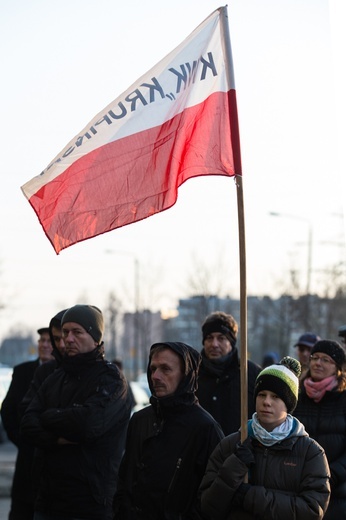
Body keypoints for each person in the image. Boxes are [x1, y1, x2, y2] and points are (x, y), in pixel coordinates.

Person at [20, 304, 132, 520]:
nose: (67, 339)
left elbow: (88, 424)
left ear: (96, 337)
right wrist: (57, 438)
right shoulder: (55, 378)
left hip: (89, 504)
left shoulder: (111, 379)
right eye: (65, 332)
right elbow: (27, 424)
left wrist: (48, 416)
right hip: (48, 502)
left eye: (77, 332)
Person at [199, 356, 331, 520]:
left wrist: (250, 496)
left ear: (289, 403)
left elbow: (312, 510)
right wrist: (233, 468)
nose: (266, 402)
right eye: (262, 394)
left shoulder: (310, 452)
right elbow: (207, 507)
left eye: (276, 397)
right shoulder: (231, 445)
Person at [113, 341, 224, 520]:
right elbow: (125, 481)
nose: (156, 376)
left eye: (166, 369)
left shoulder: (205, 428)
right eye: (153, 368)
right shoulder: (140, 420)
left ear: (185, 375)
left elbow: (214, 497)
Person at [1, 326, 53, 520]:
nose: (45, 345)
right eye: (42, 341)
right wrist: (22, 439)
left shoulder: (63, 374)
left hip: (52, 468)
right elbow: (8, 410)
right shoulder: (22, 372)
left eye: (49, 341)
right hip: (26, 461)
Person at [294, 339, 346, 519]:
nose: (317, 363)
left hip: (338, 493)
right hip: (300, 488)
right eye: (315, 358)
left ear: (338, 367)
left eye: (325, 359)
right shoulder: (296, 397)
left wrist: (331, 475)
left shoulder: (343, 400)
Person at [196, 311, 261, 435]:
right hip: (200, 452)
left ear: (231, 342)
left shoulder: (250, 374)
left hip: (240, 451)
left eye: (221, 338)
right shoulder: (192, 374)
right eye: (209, 338)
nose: (214, 344)